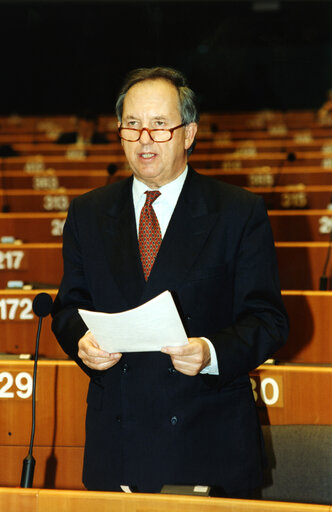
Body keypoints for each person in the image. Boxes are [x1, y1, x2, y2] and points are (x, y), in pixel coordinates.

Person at [51, 67, 288, 498]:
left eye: (160, 126)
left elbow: (268, 320)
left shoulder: (238, 212)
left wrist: (210, 351)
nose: (144, 138)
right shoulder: (87, 212)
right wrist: (80, 341)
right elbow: (68, 308)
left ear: (189, 133)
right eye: (133, 125)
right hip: (116, 444)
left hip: (207, 439)